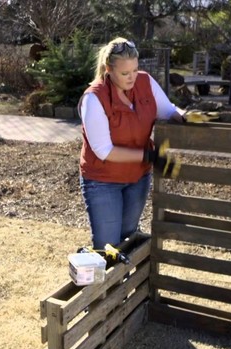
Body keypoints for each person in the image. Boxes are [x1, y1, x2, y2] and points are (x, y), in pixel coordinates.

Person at [78, 37, 185, 250]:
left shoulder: (145, 82)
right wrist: (149, 156)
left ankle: (126, 282)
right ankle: (109, 283)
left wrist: (186, 116)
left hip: (137, 178)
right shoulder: (94, 98)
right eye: (125, 73)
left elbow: (168, 110)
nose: (132, 77)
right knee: (108, 246)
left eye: (135, 70)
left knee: (129, 240)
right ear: (109, 69)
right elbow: (103, 151)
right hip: (103, 181)